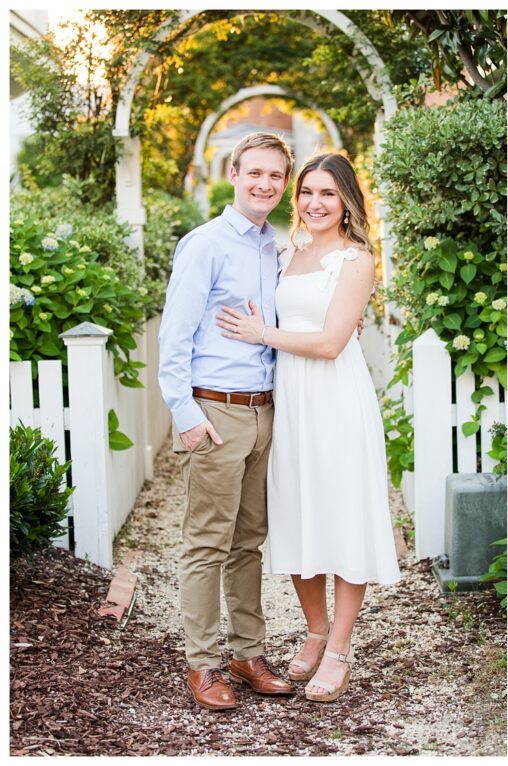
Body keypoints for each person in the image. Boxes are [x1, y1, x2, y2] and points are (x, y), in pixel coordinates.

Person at [216, 151, 401, 704]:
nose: (315, 203)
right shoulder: (283, 251)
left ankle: (341, 646)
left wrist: (260, 334)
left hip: (336, 399)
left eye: (328, 193)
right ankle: (314, 630)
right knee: (296, 515)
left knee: (342, 516)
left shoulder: (356, 259)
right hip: (288, 401)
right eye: (307, 193)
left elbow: (329, 342)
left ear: (347, 200)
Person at [158, 132, 296, 710]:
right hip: (215, 411)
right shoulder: (206, 244)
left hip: (264, 411)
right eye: (255, 173)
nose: (265, 184)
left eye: (276, 176)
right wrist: (186, 415)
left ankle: (247, 651)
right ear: (234, 174)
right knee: (206, 543)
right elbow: (174, 337)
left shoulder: (276, 247)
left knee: (249, 542)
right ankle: (202, 664)